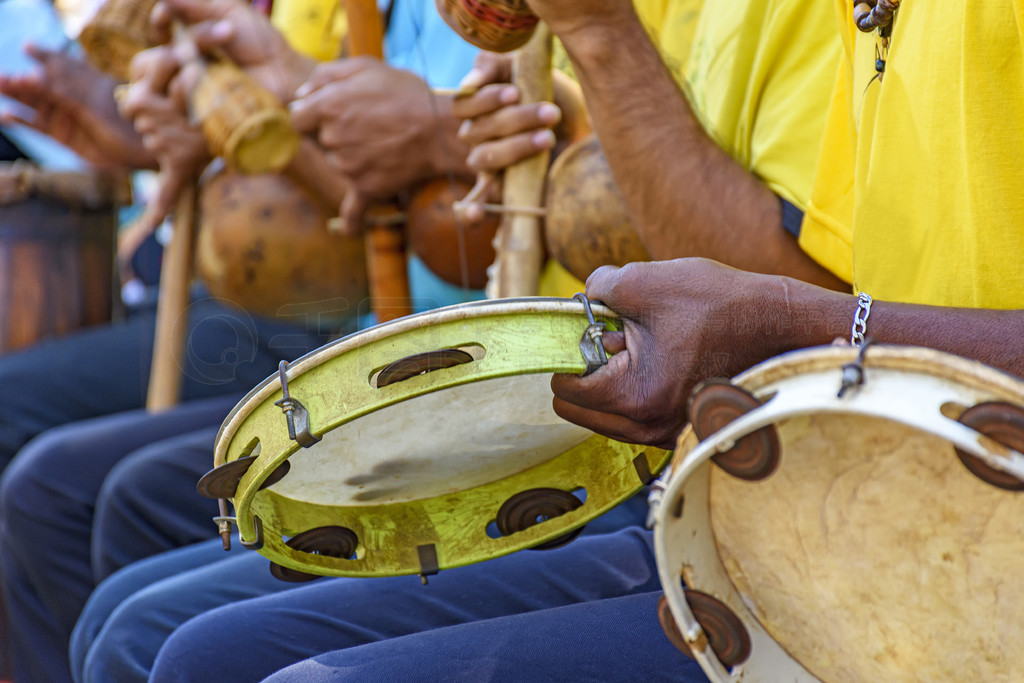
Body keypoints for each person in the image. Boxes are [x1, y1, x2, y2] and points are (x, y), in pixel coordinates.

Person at [67, 0, 856, 680]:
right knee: (115, 542)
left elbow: (788, 318)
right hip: (543, 390)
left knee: (170, 637)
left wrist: (573, 52)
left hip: (719, 462)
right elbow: (434, 238)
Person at [262, 0, 1024, 677]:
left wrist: (598, 36)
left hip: (952, 557)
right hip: (837, 509)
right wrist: (531, 143)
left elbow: (805, 299)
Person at [0, 0, 487, 679]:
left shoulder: (508, 25)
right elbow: (343, 190)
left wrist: (413, 130)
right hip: (344, 316)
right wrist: (201, 133)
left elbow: (444, 240)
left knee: (136, 609)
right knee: (63, 491)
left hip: (404, 338)